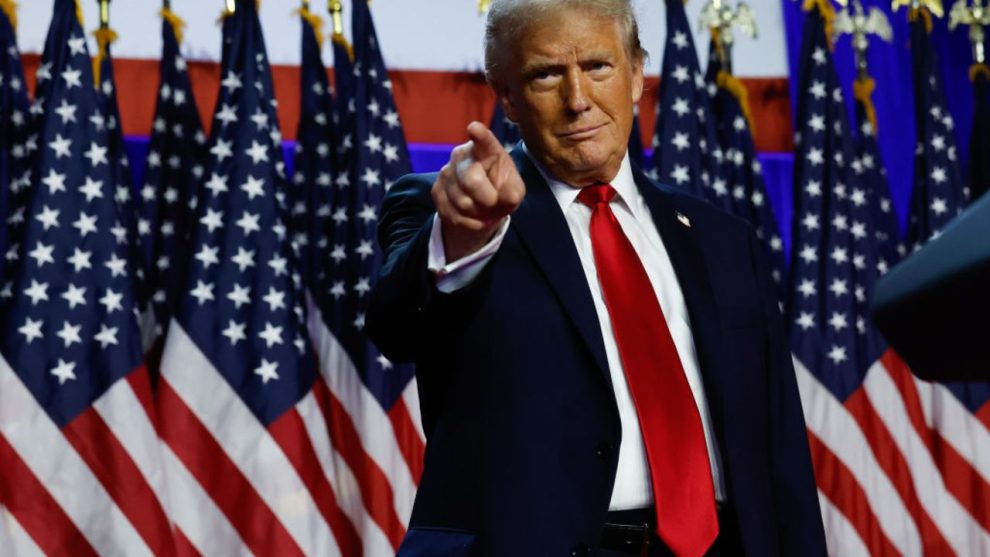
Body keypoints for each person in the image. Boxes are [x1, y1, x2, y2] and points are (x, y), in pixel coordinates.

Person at [367, 0, 827, 555]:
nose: (578, 100)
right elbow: (396, 325)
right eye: (545, 74)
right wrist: (466, 237)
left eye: (598, 67)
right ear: (506, 95)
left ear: (637, 74)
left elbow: (779, 450)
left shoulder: (722, 239)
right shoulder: (452, 211)